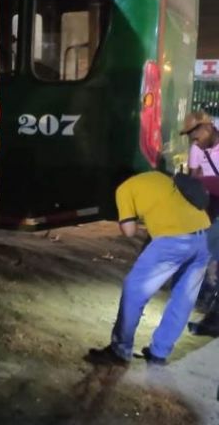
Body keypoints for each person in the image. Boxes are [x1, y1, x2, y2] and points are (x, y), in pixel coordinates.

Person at [87, 169, 211, 366]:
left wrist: (131, 216)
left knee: (134, 289)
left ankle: (120, 350)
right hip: (204, 236)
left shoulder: (124, 189)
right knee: (184, 297)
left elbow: (129, 231)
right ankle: (159, 353)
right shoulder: (159, 176)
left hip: (173, 240)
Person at [182, 110, 219, 334]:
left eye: (195, 135)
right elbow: (194, 178)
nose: (193, 141)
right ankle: (211, 316)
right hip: (213, 206)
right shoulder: (197, 149)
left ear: (206, 128)